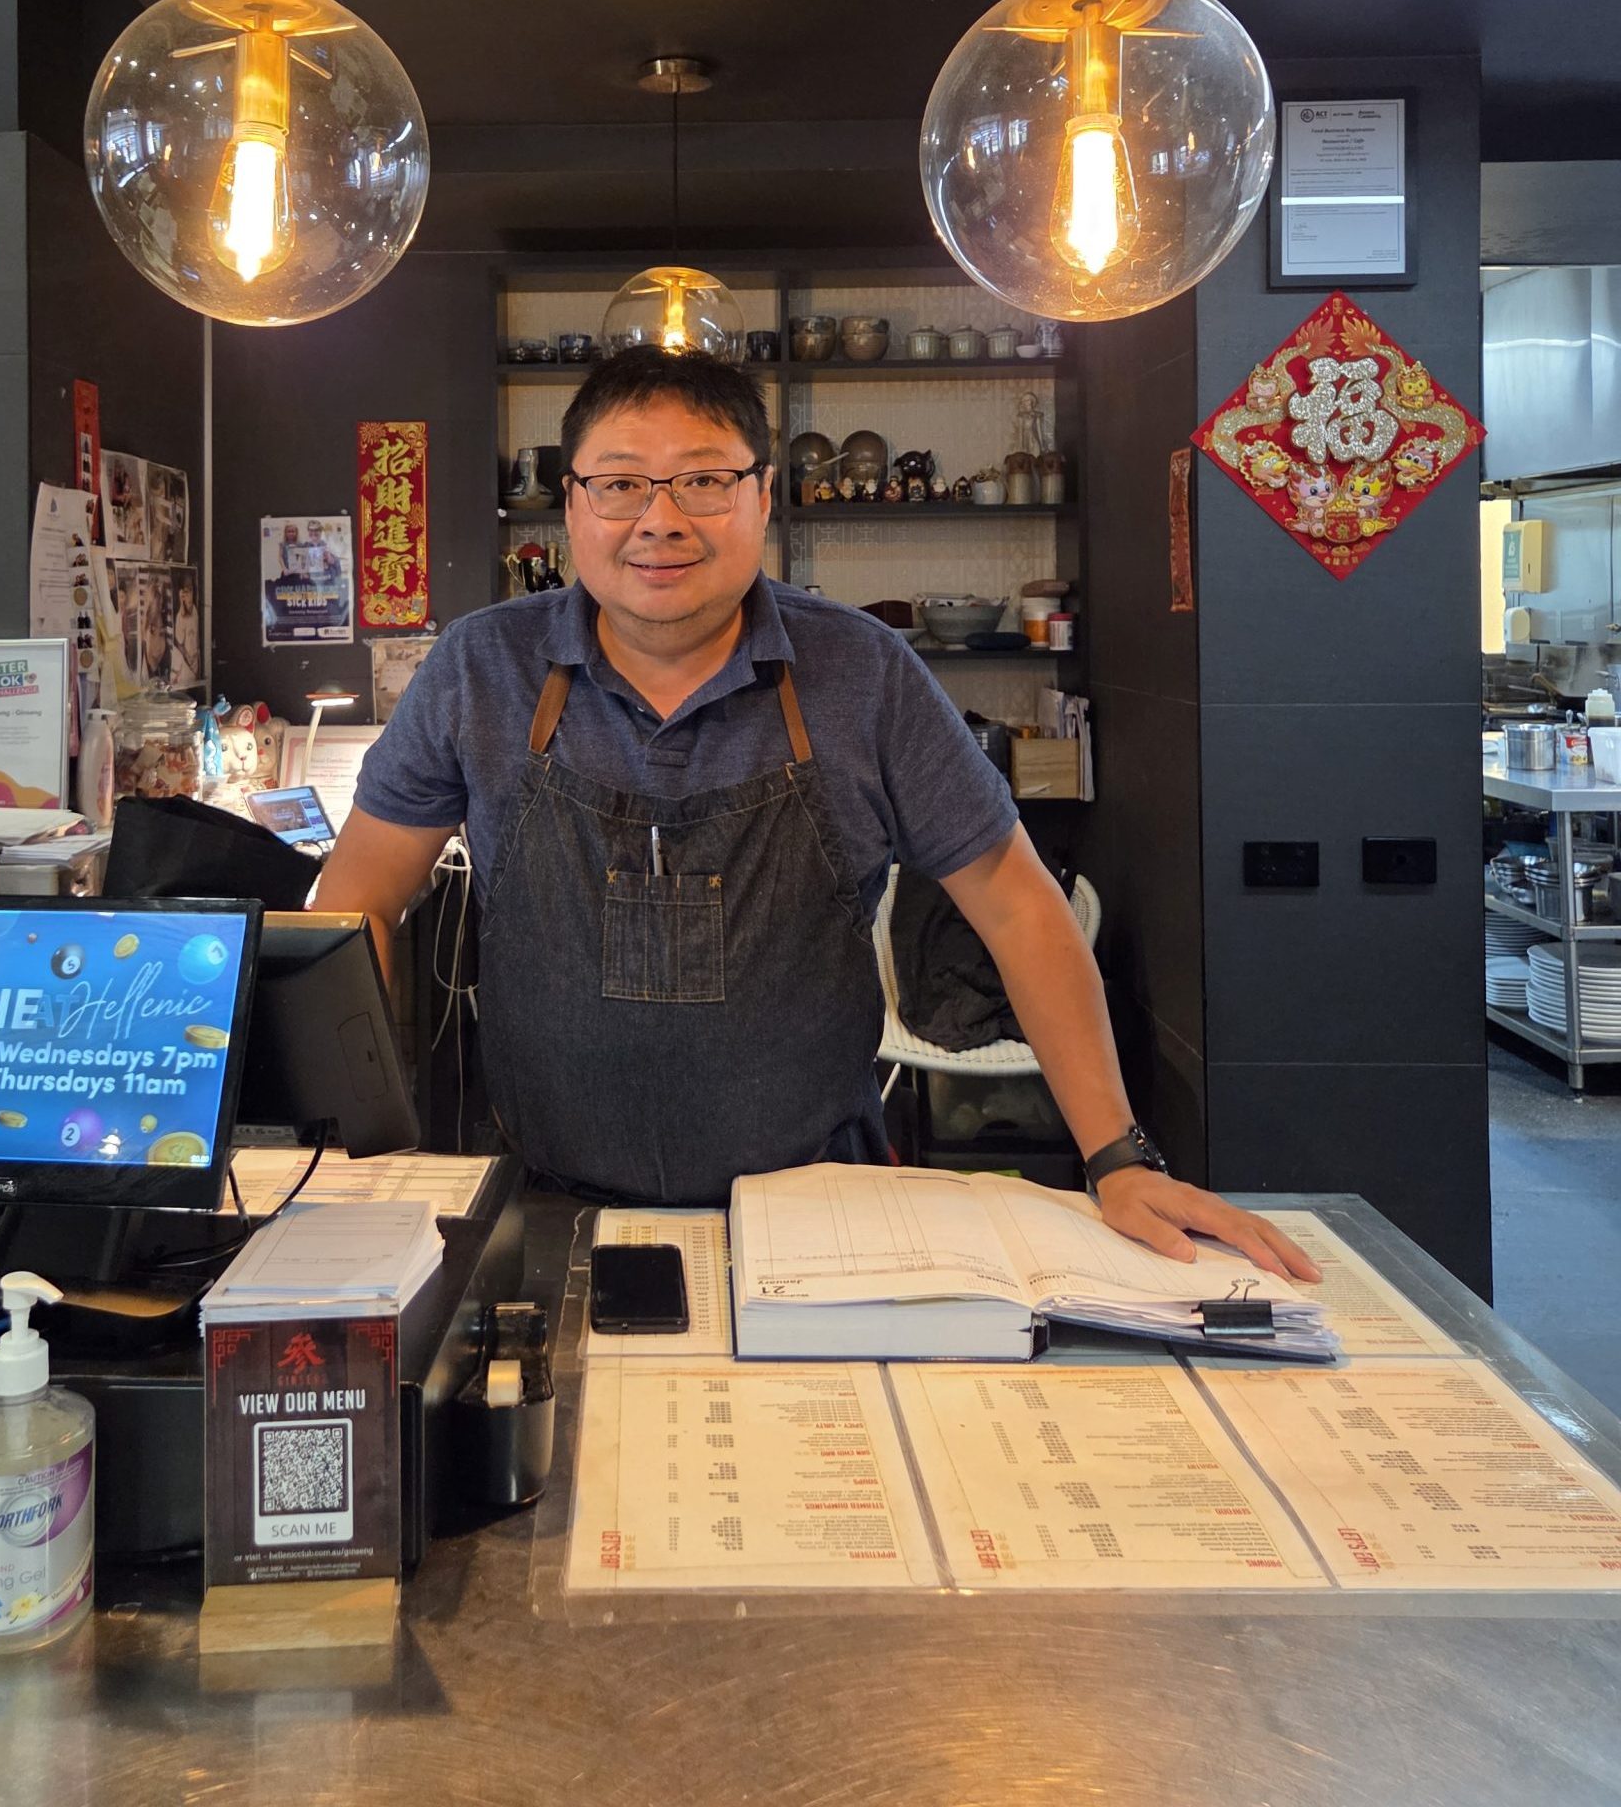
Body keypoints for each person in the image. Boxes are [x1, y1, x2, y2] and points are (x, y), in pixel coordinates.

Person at [315, 348, 1316, 1280]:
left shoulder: (865, 676)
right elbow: (355, 899)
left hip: (823, 1210)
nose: (660, 519)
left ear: (763, 495)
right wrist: (348, 1140)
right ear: (569, 504)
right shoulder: (481, 668)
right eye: (619, 482)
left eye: (704, 480)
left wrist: (1119, 1158)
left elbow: (1016, 904)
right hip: (545, 1198)